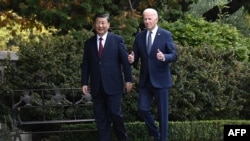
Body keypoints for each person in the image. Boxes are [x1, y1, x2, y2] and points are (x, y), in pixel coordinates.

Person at [81, 12, 133, 141]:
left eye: (103, 23)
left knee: (115, 114)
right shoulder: (89, 43)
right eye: (98, 22)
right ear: (94, 24)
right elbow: (86, 65)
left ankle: (123, 138)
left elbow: (125, 62)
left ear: (108, 24)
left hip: (114, 85)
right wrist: (84, 82)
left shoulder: (117, 40)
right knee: (100, 117)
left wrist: (128, 80)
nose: (100, 25)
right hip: (97, 86)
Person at [128, 8, 177, 141]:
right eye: (145, 19)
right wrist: (132, 60)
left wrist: (164, 57)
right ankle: (156, 133)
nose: (147, 21)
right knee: (142, 109)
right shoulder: (139, 37)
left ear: (156, 19)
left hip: (161, 80)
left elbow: (174, 55)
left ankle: (163, 139)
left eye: (150, 19)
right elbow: (135, 57)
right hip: (145, 81)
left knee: (162, 114)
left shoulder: (166, 35)